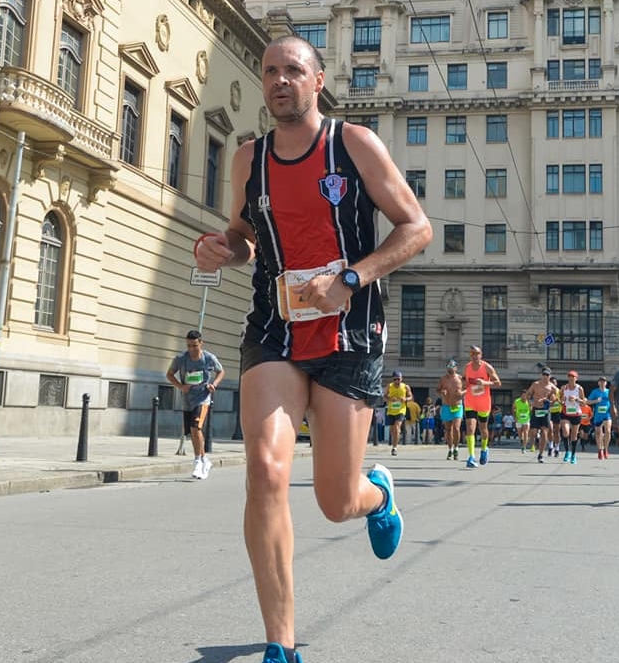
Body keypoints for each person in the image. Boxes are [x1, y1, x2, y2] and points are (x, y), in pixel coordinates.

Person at [193, 35, 432, 663]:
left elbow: (417, 227)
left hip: (348, 333)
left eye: (292, 71)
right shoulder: (249, 160)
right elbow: (246, 237)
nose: (279, 81)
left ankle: (375, 492)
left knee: (334, 501)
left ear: (317, 80)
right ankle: (281, 644)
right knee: (266, 473)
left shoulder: (352, 144)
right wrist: (220, 247)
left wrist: (350, 279)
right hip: (273, 328)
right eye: (270, 71)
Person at [166, 330, 225, 480]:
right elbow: (169, 374)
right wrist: (180, 386)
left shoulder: (208, 358)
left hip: (203, 398)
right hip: (187, 400)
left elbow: (221, 371)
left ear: (201, 343)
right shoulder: (181, 358)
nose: (191, 349)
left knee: (195, 427)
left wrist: (214, 384)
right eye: (189, 346)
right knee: (192, 432)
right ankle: (204, 460)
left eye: (194, 345)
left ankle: (198, 461)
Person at [463, 345, 502, 467]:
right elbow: (465, 380)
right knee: (470, 427)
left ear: (481, 354)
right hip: (470, 401)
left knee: (483, 429)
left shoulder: (487, 367)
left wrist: (484, 382)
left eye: (477, 354)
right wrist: (463, 384)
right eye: (472, 354)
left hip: (484, 403)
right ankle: (471, 457)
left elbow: (498, 383)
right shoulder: (467, 367)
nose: (475, 356)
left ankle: (484, 449)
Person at [524, 367, 558, 462]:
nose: (545, 377)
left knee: (544, 432)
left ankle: (541, 454)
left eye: (547, 375)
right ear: (541, 375)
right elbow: (528, 394)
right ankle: (534, 443)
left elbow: (559, 397)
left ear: (550, 376)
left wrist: (550, 401)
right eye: (544, 375)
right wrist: (530, 402)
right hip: (536, 409)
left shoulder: (552, 387)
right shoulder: (536, 384)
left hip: (545, 411)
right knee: (533, 432)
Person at [437, 359, 466, 460]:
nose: (450, 369)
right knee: (448, 429)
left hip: (457, 406)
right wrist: (442, 391)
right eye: (449, 368)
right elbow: (438, 389)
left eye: (452, 368)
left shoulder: (461, 378)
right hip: (446, 406)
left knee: (456, 428)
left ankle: (456, 448)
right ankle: (450, 449)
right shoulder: (443, 379)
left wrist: (462, 393)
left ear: (456, 368)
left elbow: (468, 389)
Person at [559, 370, 587, 464]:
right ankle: (567, 452)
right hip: (566, 413)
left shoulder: (579, 389)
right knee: (566, 432)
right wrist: (562, 399)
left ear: (576, 378)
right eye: (569, 377)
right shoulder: (564, 387)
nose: (571, 379)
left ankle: (573, 455)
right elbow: (561, 400)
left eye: (573, 377)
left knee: (574, 435)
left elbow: (583, 402)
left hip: (576, 414)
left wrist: (576, 399)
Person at [385, 370, 413, 455]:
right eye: (395, 379)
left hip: (401, 410)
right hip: (391, 410)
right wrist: (389, 399)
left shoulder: (405, 387)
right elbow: (384, 396)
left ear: (401, 379)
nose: (397, 381)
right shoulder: (389, 386)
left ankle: (394, 447)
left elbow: (410, 396)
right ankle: (395, 441)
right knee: (392, 430)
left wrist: (405, 399)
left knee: (397, 427)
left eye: (398, 379)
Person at [587, 377, 613, 459]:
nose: (602, 383)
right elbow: (588, 401)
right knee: (598, 433)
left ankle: (606, 449)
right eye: (600, 381)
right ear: (598, 383)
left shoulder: (609, 392)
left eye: (604, 381)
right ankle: (599, 449)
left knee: (608, 431)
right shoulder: (595, 392)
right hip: (598, 415)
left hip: (607, 414)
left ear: (606, 383)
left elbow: (614, 401)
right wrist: (596, 401)